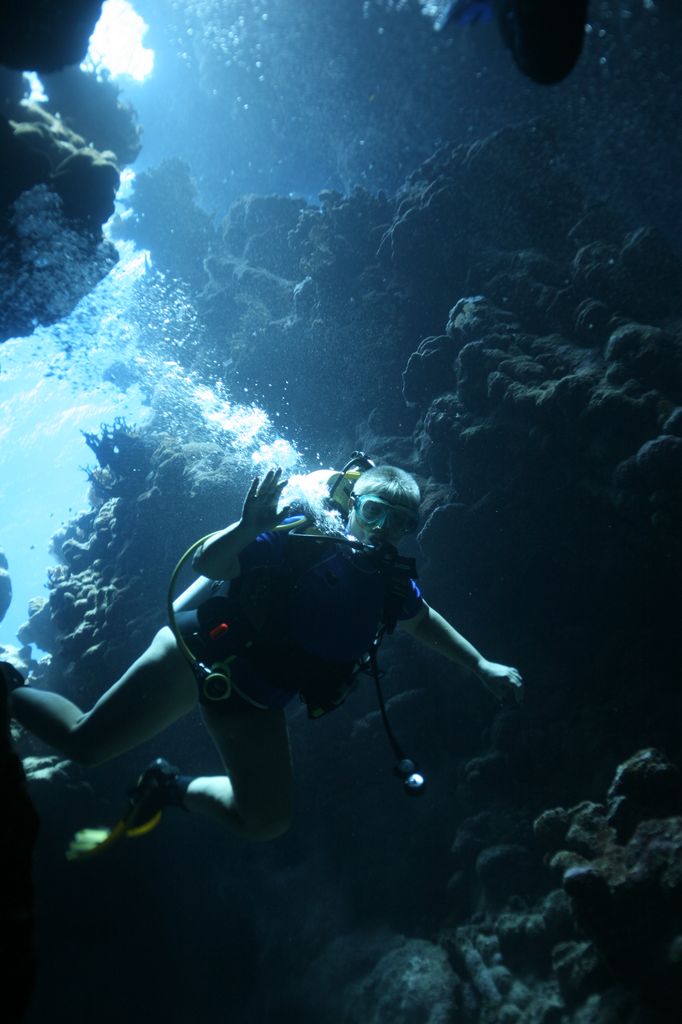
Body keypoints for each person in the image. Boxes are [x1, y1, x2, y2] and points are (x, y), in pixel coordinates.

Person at [6, 464, 523, 850]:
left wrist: (480, 664)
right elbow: (210, 563)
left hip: (256, 699)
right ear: (352, 505)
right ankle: (9, 685)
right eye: (374, 512)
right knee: (86, 746)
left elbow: (423, 620)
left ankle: (169, 787)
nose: (383, 529)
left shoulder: (392, 585)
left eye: (400, 522)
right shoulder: (306, 537)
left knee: (266, 821)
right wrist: (247, 528)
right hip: (201, 654)